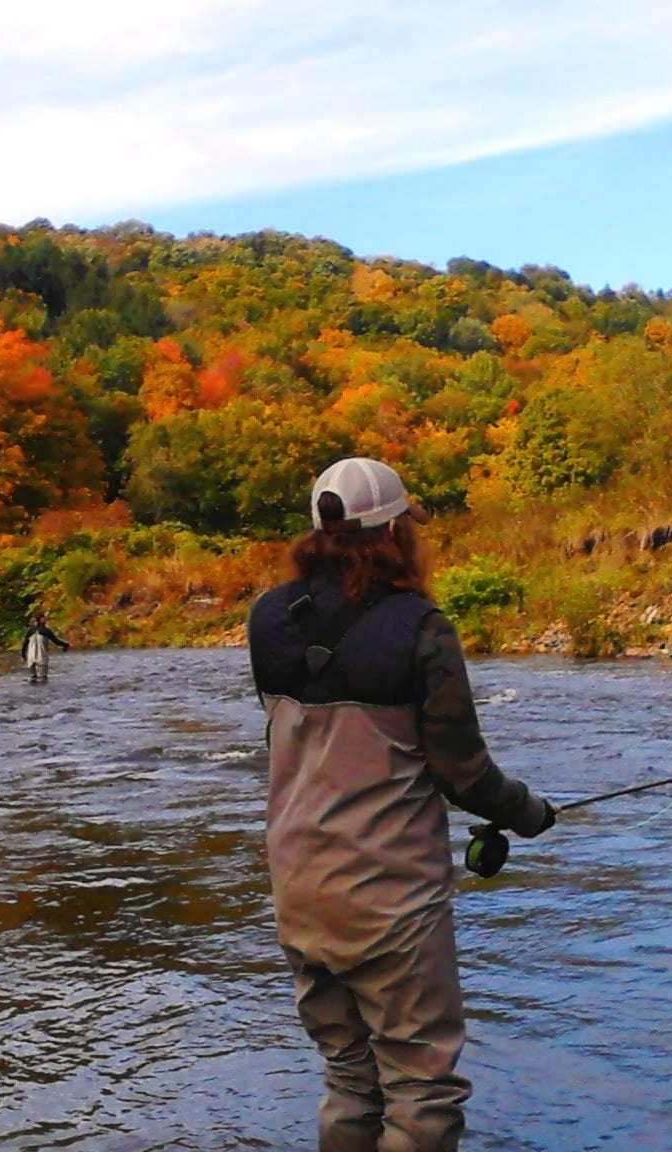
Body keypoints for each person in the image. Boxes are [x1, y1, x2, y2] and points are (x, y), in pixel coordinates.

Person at [246, 457, 557, 1152]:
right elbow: (465, 774)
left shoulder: (267, 618)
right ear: (393, 532)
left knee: (350, 1081)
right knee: (421, 1090)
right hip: (389, 901)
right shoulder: (422, 629)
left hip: (298, 888)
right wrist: (531, 814)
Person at [21, 614, 71, 683]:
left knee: (32, 677)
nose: (45, 619)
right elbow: (56, 641)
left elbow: (25, 643)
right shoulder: (46, 630)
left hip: (31, 657)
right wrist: (66, 645)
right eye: (44, 618)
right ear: (41, 620)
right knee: (43, 678)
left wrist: (23, 655)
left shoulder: (30, 630)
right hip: (42, 656)